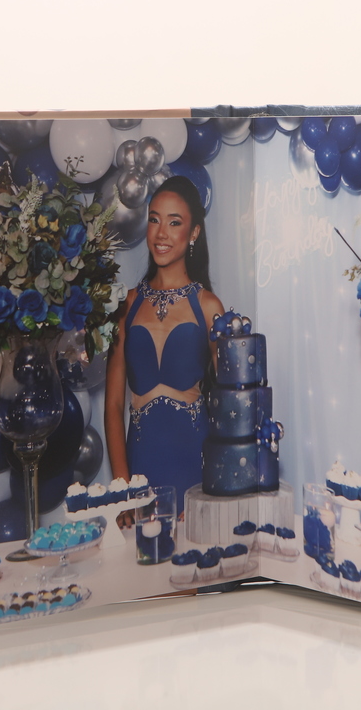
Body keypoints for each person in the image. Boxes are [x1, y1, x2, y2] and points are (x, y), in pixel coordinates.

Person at [105, 177, 224, 515]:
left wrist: (213, 490)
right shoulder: (127, 305)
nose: (161, 233)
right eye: (154, 220)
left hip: (196, 473)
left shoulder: (209, 306)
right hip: (139, 472)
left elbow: (231, 408)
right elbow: (113, 405)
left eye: (174, 223)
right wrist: (123, 490)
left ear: (194, 232)